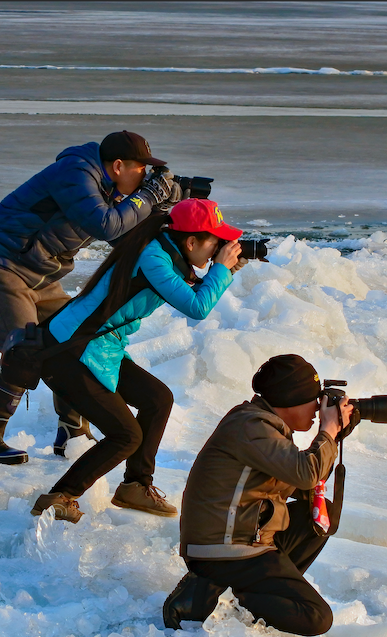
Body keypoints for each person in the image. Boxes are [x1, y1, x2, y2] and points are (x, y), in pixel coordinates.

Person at [0, 130, 181, 464]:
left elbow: (123, 237)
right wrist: (145, 198)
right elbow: (106, 225)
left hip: (37, 273)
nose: (145, 178)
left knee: (77, 338)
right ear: (118, 166)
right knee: (26, 348)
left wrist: (160, 210)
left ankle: (72, 433)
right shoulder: (76, 174)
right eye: (141, 170)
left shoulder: (108, 188)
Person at [29, 198, 244, 522]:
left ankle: (135, 486)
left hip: (101, 347)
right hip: (71, 351)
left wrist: (222, 271)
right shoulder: (154, 257)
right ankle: (60, 496)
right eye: (215, 241)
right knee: (126, 435)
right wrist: (220, 271)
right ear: (191, 241)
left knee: (158, 399)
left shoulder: (165, 253)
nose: (219, 248)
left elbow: (190, 288)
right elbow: (196, 307)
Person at [163, 354, 354, 636]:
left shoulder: (262, 425)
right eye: (314, 399)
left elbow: (305, 485)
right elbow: (305, 474)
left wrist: (333, 435)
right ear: (289, 398)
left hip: (244, 540)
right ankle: (225, 595)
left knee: (319, 516)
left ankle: (244, 592)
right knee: (316, 618)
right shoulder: (252, 427)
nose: (318, 408)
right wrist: (327, 430)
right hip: (225, 550)